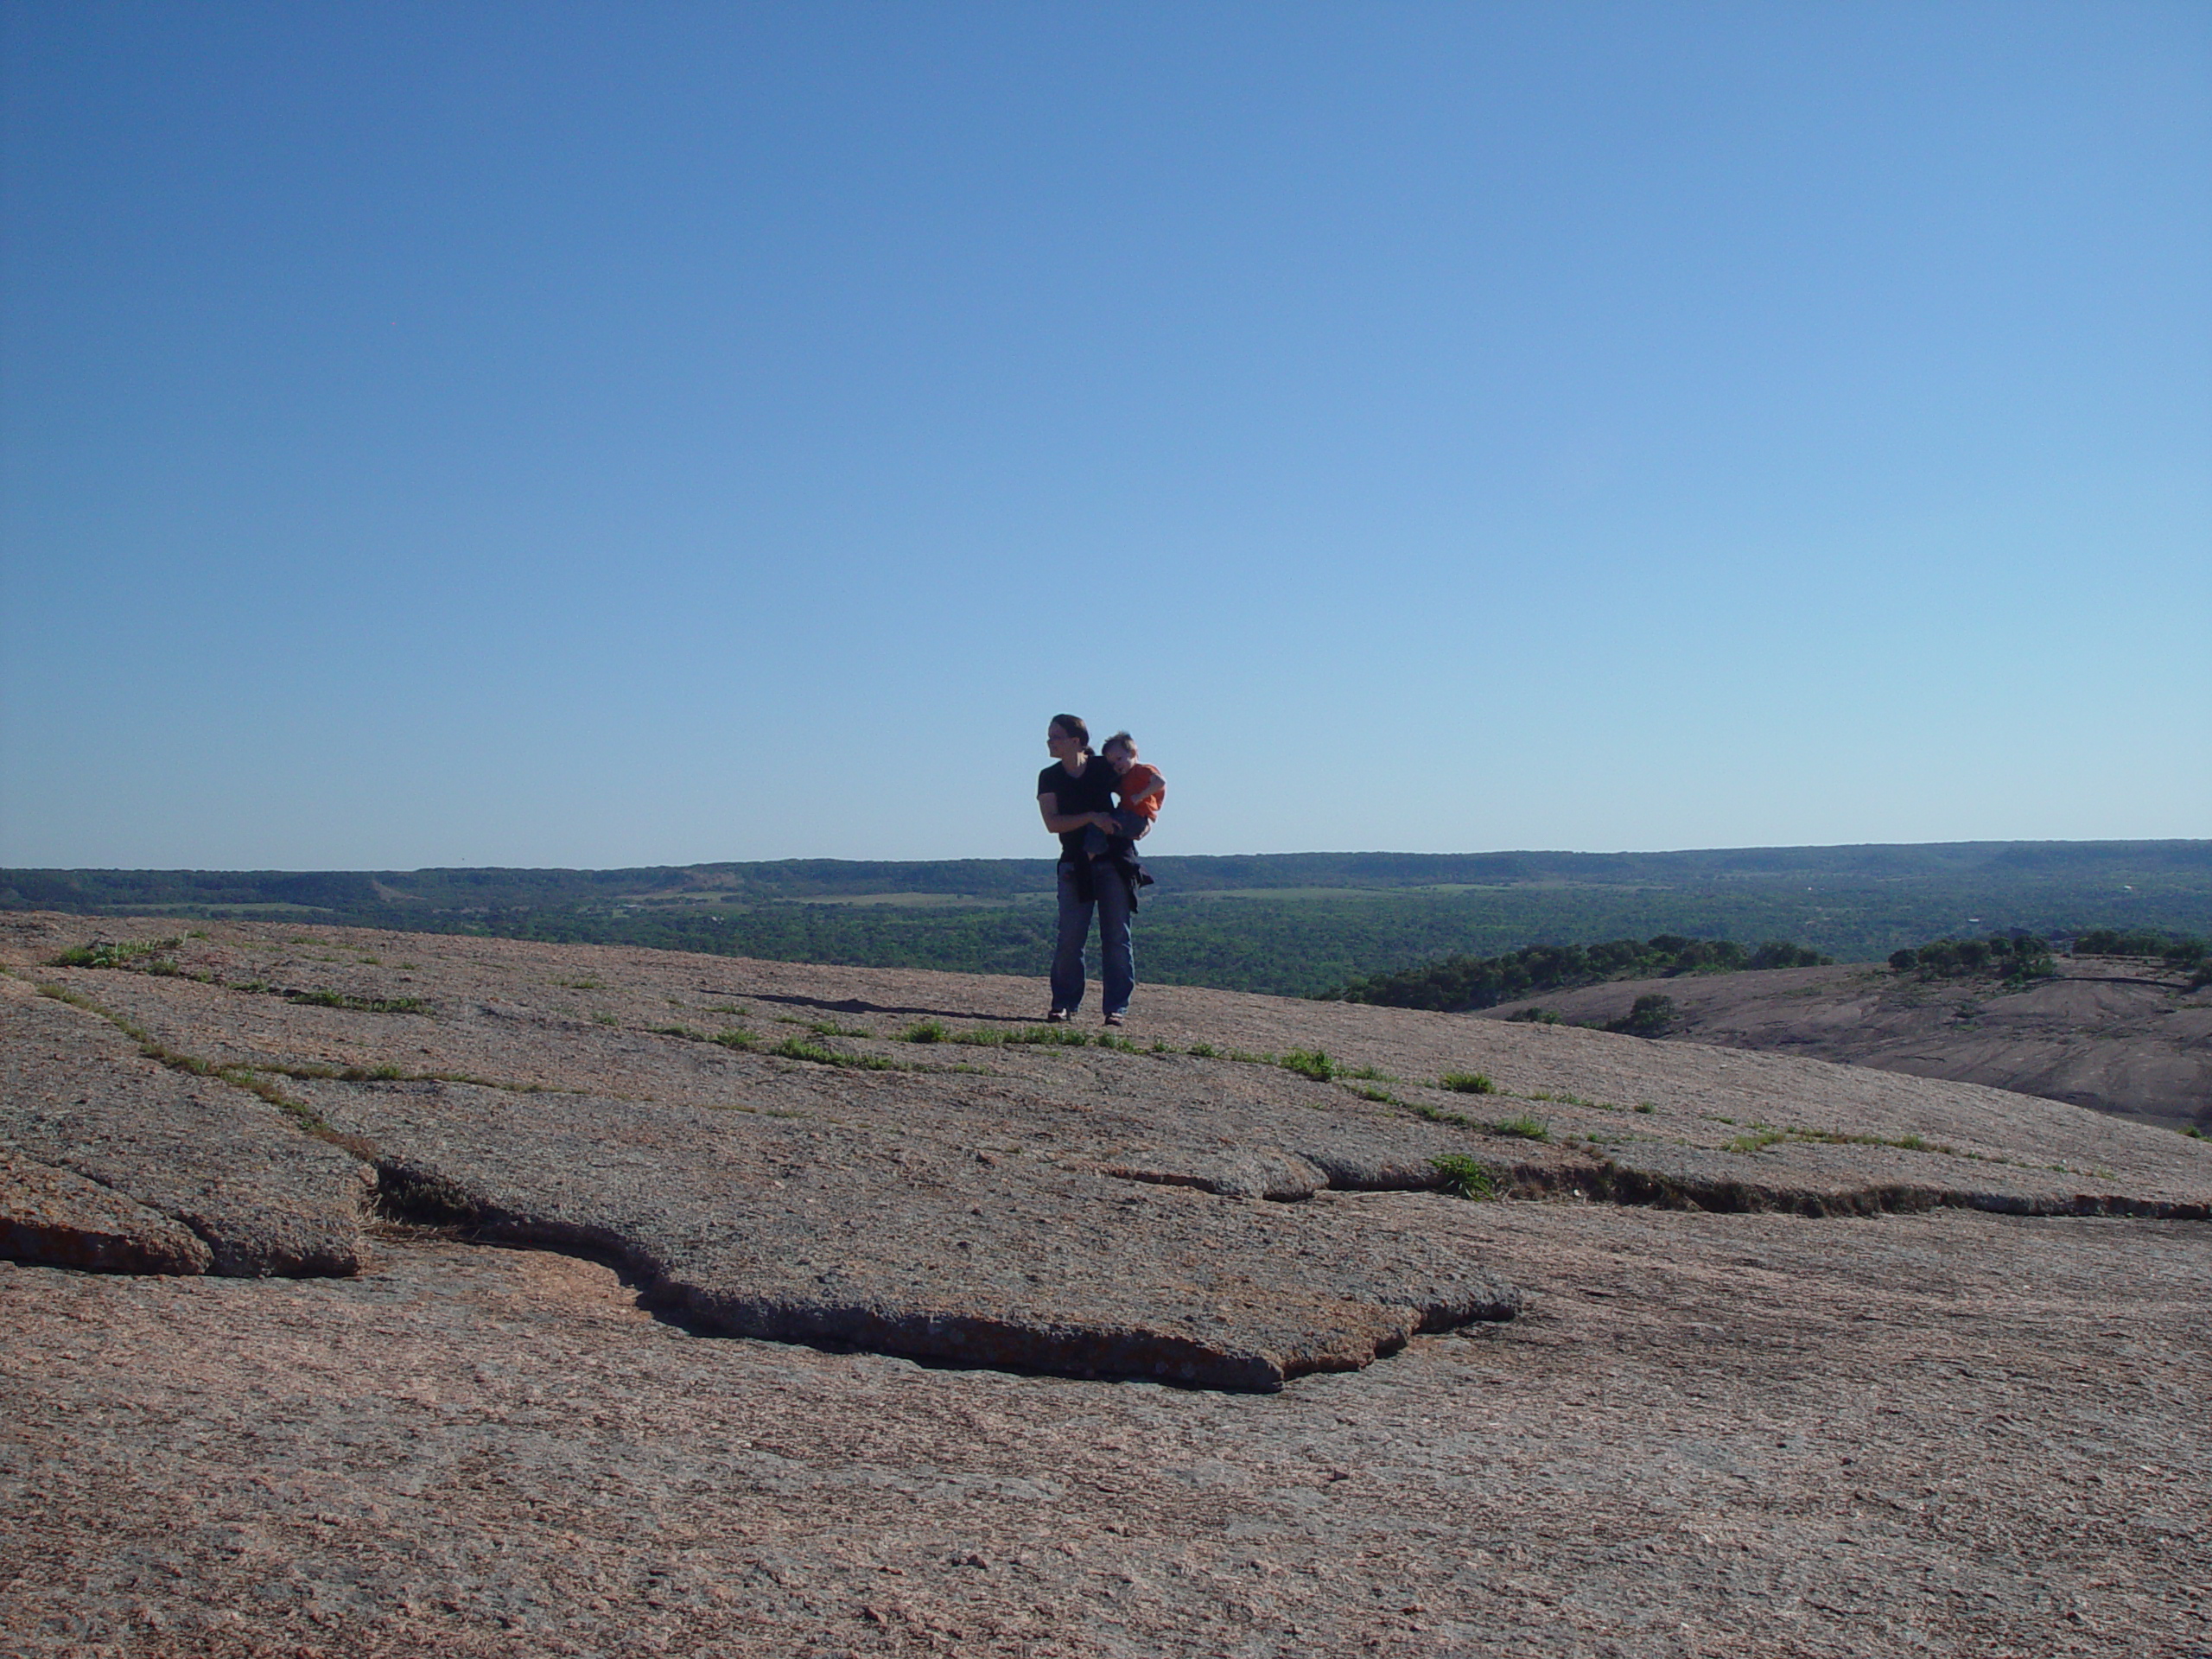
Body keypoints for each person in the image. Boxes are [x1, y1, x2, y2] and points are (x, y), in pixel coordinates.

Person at [1036, 713, 1135, 1026]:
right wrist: (1093, 816)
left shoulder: (1102, 767)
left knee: (1117, 937)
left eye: (1056, 737)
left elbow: (1139, 781)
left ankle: (1116, 1008)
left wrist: (1141, 820)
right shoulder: (1049, 776)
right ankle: (1064, 1003)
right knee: (1070, 937)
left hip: (1114, 859)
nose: (1050, 742)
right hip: (1074, 862)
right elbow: (1053, 823)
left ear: (1076, 741)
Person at [1080, 732, 1166, 862]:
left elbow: (1160, 782)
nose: (1117, 765)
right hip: (1126, 814)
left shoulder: (1142, 770)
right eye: (1113, 764)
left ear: (1132, 753)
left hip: (1136, 816)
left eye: (1119, 759)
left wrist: (1141, 796)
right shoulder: (1124, 777)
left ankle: (1090, 857)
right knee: (1103, 822)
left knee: (1099, 824)